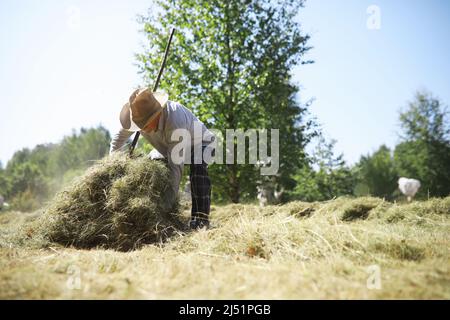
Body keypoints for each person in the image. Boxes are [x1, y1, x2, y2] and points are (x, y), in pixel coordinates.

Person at [110, 88, 213, 229]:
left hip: (201, 143)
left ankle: (200, 221)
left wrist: (168, 209)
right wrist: (113, 166)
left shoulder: (175, 120)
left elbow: (176, 167)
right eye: (140, 127)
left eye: (145, 125)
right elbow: (117, 141)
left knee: (198, 169)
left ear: (157, 114)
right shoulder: (137, 117)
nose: (143, 130)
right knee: (152, 169)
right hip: (167, 147)